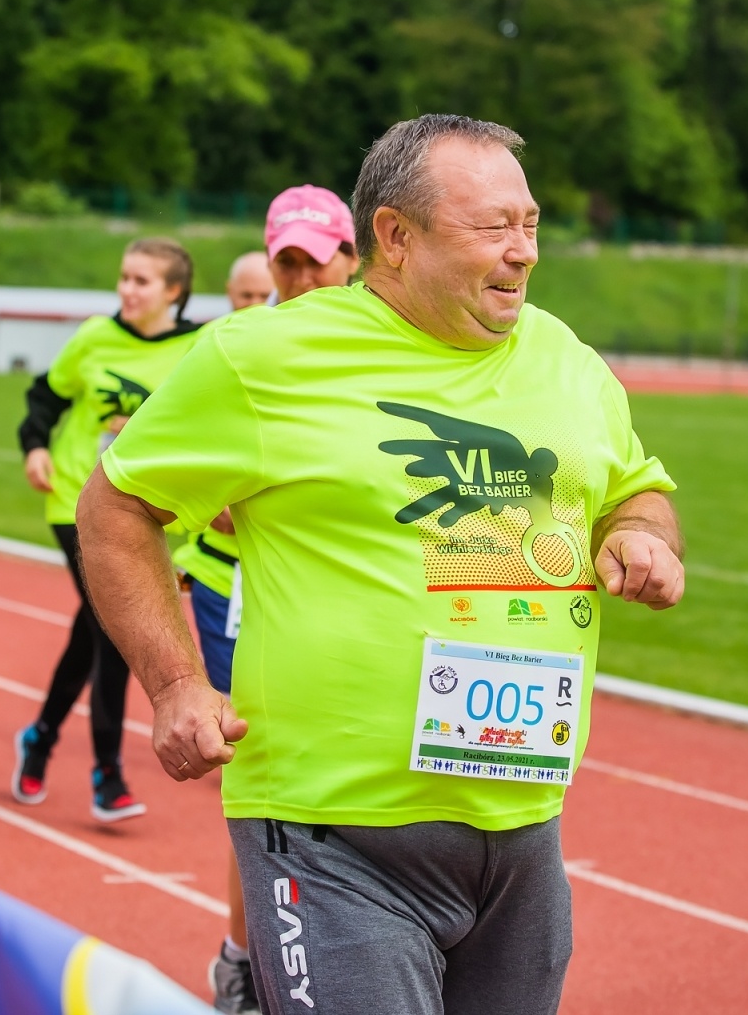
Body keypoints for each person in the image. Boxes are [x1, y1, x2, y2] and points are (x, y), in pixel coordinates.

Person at [77, 115, 684, 1015]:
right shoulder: (266, 359)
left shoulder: (566, 358)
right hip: (336, 837)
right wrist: (174, 684)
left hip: (522, 833)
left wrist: (643, 536)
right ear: (395, 237)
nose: (524, 252)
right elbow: (117, 504)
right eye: (493, 227)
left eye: (532, 223)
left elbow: (638, 486)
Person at [174, 188, 354, 1015]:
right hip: (243, 594)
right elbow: (156, 489)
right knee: (268, 785)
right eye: (288, 260)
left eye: (319, 258)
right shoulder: (234, 349)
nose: (303, 275)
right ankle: (246, 961)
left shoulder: (396, 351)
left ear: (353, 257)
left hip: (362, 607)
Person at [12, 238, 204, 823]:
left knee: (90, 629)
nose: (127, 290)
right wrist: (35, 446)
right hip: (76, 502)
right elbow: (44, 395)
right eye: (124, 277)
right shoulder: (95, 336)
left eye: (142, 281)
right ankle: (108, 775)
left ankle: (40, 738)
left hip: (147, 511)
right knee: (115, 631)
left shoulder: (198, 349)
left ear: (173, 292)